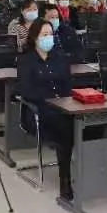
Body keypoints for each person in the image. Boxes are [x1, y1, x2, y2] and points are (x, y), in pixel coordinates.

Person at [17, 18, 75, 200]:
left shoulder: (60, 58)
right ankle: (65, 179)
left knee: (85, 125)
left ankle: (81, 171)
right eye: (44, 34)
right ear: (35, 37)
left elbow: (67, 86)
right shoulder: (26, 60)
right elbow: (26, 90)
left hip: (62, 108)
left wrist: (62, 101)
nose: (49, 38)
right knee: (65, 129)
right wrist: (51, 100)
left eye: (51, 34)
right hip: (38, 111)